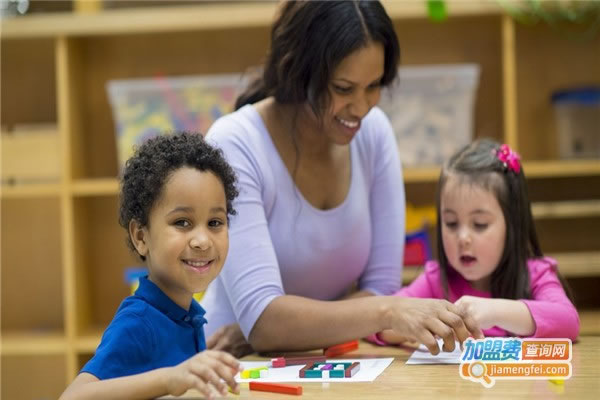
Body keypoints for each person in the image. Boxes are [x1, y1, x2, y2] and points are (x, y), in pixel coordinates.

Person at [202, 0, 482, 358]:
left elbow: (382, 287)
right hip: (227, 362)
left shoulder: (374, 134)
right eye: (344, 88)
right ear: (299, 72)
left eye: (374, 85)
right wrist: (386, 312)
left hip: (320, 360)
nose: (362, 107)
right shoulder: (236, 143)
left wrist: (289, 329)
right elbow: (265, 324)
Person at [60, 133, 243, 400]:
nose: (203, 241)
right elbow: (73, 397)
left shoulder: (188, 315)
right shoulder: (139, 322)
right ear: (141, 237)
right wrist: (168, 379)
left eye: (215, 223)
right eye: (182, 222)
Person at [369, 139, 580, 347]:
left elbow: (568, 321)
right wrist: (415, 324)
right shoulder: (436, 281)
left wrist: (495, 311)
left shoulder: (535, 275)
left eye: (479, 224)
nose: (463, 238)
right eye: (451, 223)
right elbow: (376, 323)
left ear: (512, 223)